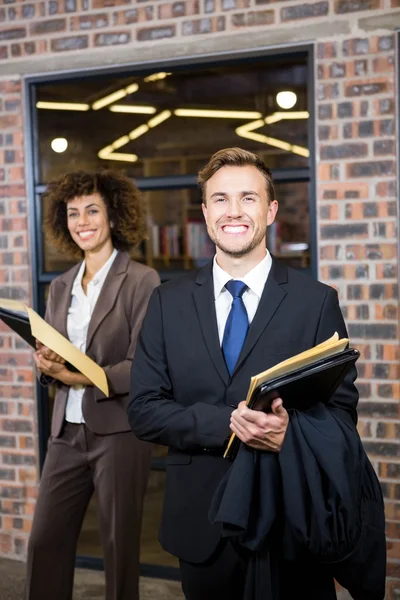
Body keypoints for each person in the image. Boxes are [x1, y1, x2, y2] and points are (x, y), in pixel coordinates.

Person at [127, 148, 385, 600]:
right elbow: (145, 410)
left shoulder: (316, 301)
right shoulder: (167, 302)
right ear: (206, 214)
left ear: (269, 211)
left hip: (290, 522)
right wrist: (230, 423)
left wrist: (290, 433)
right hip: (201, 524)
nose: (234, 211)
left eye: (247, 198)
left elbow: (342, 415)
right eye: (221, 200)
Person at [25, 170, 160, 600]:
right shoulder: (61, 286)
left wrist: (74, 375)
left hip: (119, 432)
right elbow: (53, 358)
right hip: (66, 431)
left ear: (114, 216)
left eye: (92, 210)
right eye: (72, 213)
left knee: (119, 546)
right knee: (45, 540)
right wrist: (47, 364)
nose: (82, 221)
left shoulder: (142, 280)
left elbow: (141, 367)